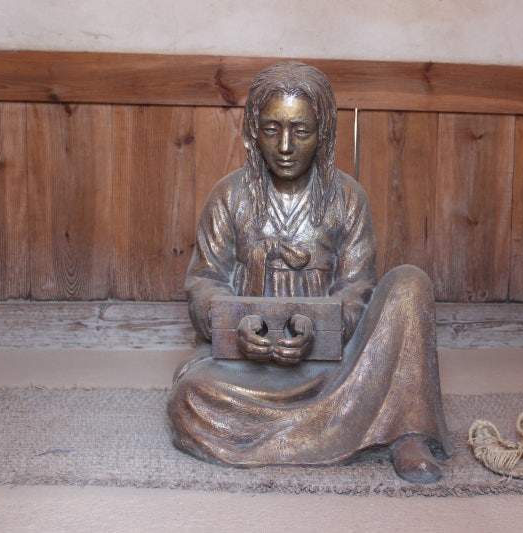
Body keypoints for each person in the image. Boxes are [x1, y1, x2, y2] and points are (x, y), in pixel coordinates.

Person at [166, 61, 453, 484]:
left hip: (334, 366)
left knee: (410, 282)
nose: (285, 146)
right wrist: (238, 325)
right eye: (271, 129)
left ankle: (408, 432)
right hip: (249, 369)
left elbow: (357, 290)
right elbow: (205, 281)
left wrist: (318, 328)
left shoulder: (347, 199)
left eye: (301, 131)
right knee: (191, 398)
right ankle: (346, 429)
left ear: (324, 133)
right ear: (253, 131)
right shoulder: (229, 197)